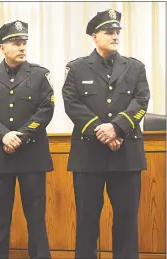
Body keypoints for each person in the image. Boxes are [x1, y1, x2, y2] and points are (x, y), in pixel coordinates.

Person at [62, 9, 150, 259]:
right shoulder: (77, 68)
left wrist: (117, 127)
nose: (115, 36)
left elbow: (141, 101)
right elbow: (72, 103)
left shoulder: (135, 67)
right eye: (108, 32)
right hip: (89, 155)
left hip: (127, 154)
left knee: (126, 220)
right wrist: (100, 130)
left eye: (117, 32)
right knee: (87, 220)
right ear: (94, 36)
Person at [0, 20, 54, 259]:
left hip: (32, 155)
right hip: (2, 156)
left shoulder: (40, 75)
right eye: (16, 43)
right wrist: (3, 135)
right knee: (0, 217)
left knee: (36, 216)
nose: (22, 47)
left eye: (24, 43)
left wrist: (20, 135)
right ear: (2, 48)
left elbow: (45, 110)